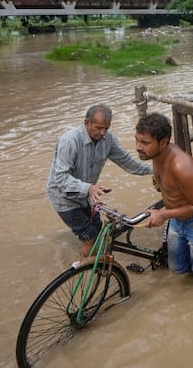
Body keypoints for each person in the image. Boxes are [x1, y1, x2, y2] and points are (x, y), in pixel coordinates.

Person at [46, 104, 153, 258]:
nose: (102, 133)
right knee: (89, 234)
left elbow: (127, 162)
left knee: (98, 227)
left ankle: (91, 261)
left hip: (86, 195)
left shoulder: (107, 140)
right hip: (63, 196)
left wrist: (153, 171)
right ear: (86, 123)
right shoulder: (70, 141)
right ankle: (87, 272)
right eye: (98, 128)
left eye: (106, 129)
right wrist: (89, 188)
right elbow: (60, 178)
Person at [135, 113, 193, 290]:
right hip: (177, 218)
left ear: (163, 142)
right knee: (177, 267)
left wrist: (163, 214)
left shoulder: (181, 166)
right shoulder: (156, 155)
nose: (138, 147)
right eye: (137, 141)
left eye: (144, 143)